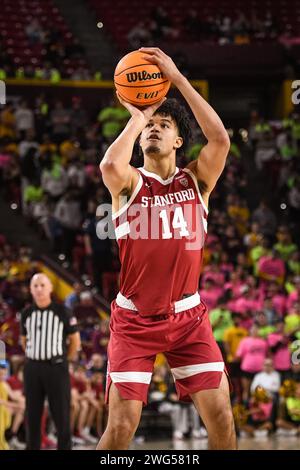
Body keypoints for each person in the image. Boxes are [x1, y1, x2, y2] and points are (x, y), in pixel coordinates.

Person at [98, 47, 236, 450]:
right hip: (135, 320)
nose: (153, 129)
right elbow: (108, 166)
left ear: (179, 139)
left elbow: (221, 139)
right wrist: (138, 114)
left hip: (189, 318)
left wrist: (176, 79)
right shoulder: (128, 183)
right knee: (121, 428)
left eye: (163, 124)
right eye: (148, 127)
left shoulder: (196, 181)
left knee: (223, 420)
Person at [20, 273, 81, 449]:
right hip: (32, 368)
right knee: (32, 414)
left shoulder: (63, 311)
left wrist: (63, 359)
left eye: (42, 285)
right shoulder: (26, 313)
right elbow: (24, 341)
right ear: (31, 289)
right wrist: (35, 355)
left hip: (56, 367)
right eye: (35, 286)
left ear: (50, 288)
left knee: (61, 414)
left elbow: (75, 341)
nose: (39, 289)